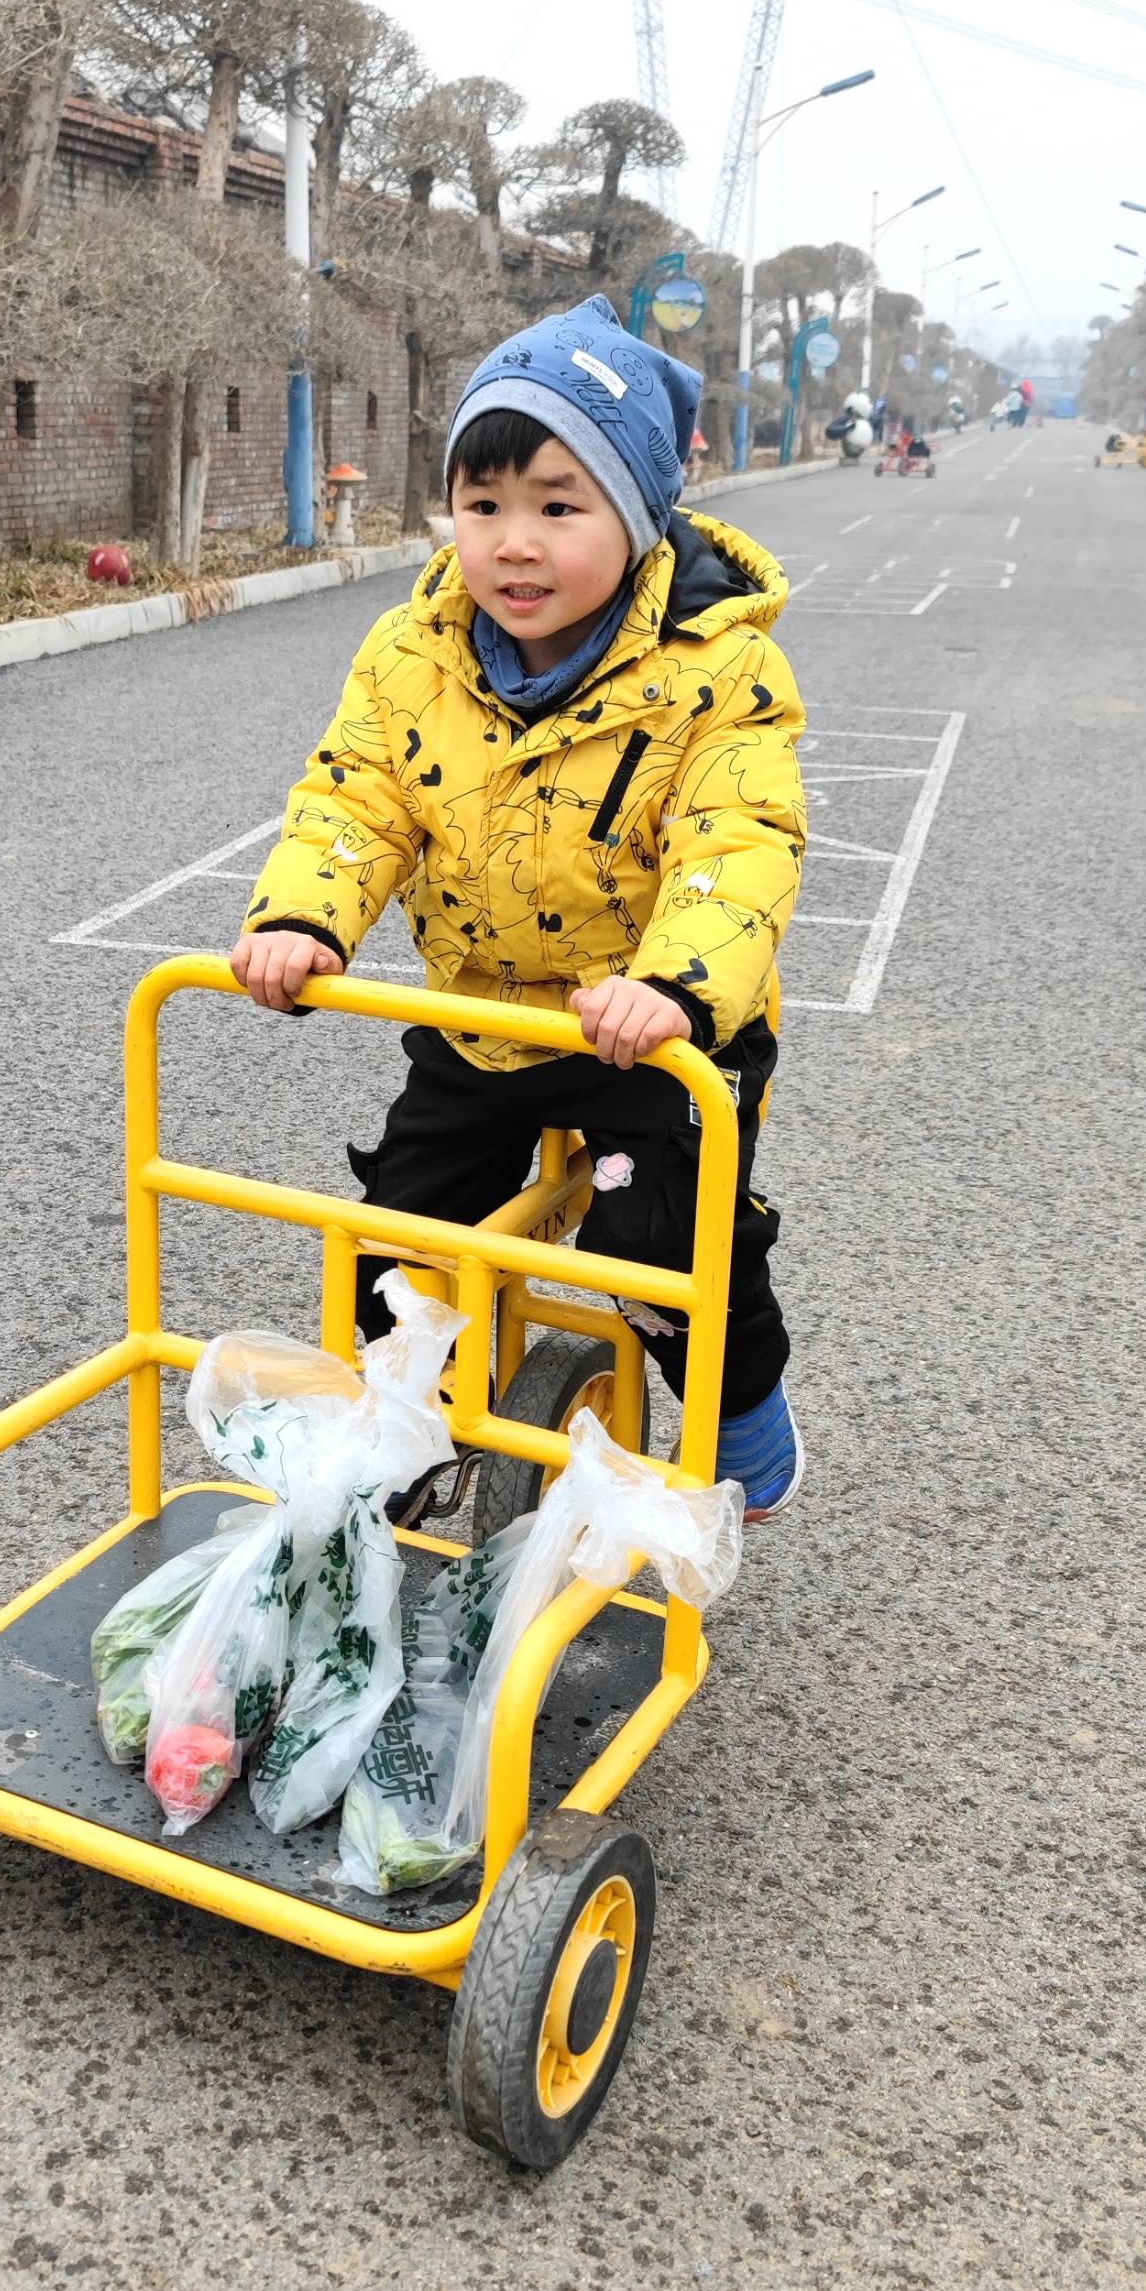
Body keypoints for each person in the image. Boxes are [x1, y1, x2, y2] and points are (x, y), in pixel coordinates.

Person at [227, 297, 809, 1517]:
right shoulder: (410, 652)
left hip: (648, 1033)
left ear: (640, 518)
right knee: (393, 1242)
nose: (513, 544)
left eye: (558, 505)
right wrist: (305, 914)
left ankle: (743, 1405)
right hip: (487, 1019)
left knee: (665, 1247)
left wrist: (678, 986)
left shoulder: (717, 672)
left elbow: (737, 840)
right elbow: (354, 797)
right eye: (482, 505)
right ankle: (403, 1430)